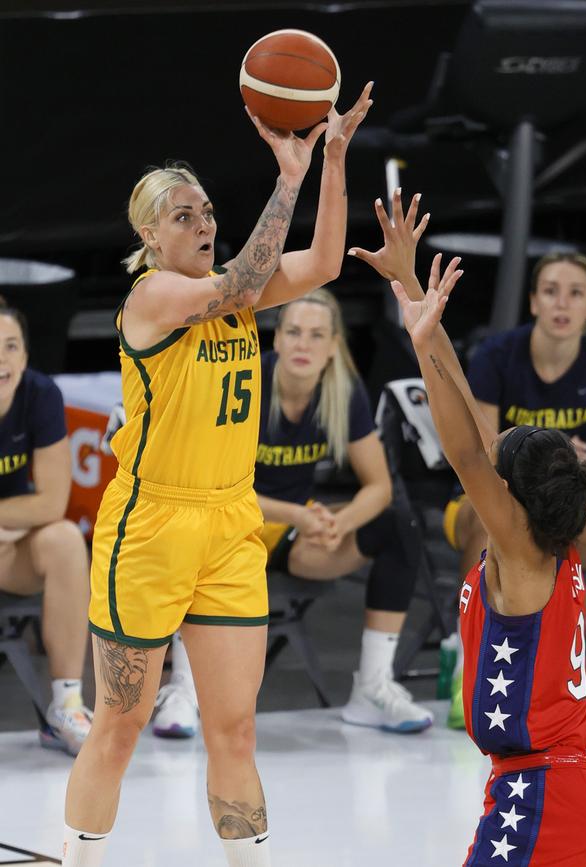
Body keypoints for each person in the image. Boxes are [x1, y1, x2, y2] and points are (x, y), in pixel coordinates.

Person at [62, 82, 373, 867]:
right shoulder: (153, 297)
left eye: (207, 213)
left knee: (234, 726)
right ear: (148, 233)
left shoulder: (231, 290)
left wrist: (332, 158)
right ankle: (78, 858)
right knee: (121, 723)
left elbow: (328, 259)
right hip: (151, 524)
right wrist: (288, 178)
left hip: (231, 524)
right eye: (183, 216)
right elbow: (236, 284)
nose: (203, 225)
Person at [389, 253, 586, 865]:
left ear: (511, 497)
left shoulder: (520, 549)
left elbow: (468, 454)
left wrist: (421, 353)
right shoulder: (554, 529)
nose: (495, 451)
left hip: (547, 790)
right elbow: (474, 419)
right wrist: (423, 307)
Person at [154, 286, 433, 737]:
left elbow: (379, 487)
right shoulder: (245, 382)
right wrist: (298, 515)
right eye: (295, 332)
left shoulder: (343, 391)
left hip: (290, 537)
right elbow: (209, 487)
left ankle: (373, 685)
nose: (304, 344)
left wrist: (338, 522)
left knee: (400, 523)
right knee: (195, 530)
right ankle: (184, 689)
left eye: (317, 335)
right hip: (227, 523)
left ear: (332, 347)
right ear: (277, 339)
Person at [442, 252, 586, 727]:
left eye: (576, 293)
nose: (562, 302)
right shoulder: (497, 356)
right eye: (551, 290)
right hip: (502, 500)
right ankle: (466, 670)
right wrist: (552, 456)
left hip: (565, 507)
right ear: (533, 301)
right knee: (482, 512)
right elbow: (484, 457)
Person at [0, 297, 92, 756]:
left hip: (9, 548)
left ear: (25, 356)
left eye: (11, 346)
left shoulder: (40, 395)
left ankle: (67, 706)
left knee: (65, 540)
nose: (1, 359)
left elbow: (52, 504)